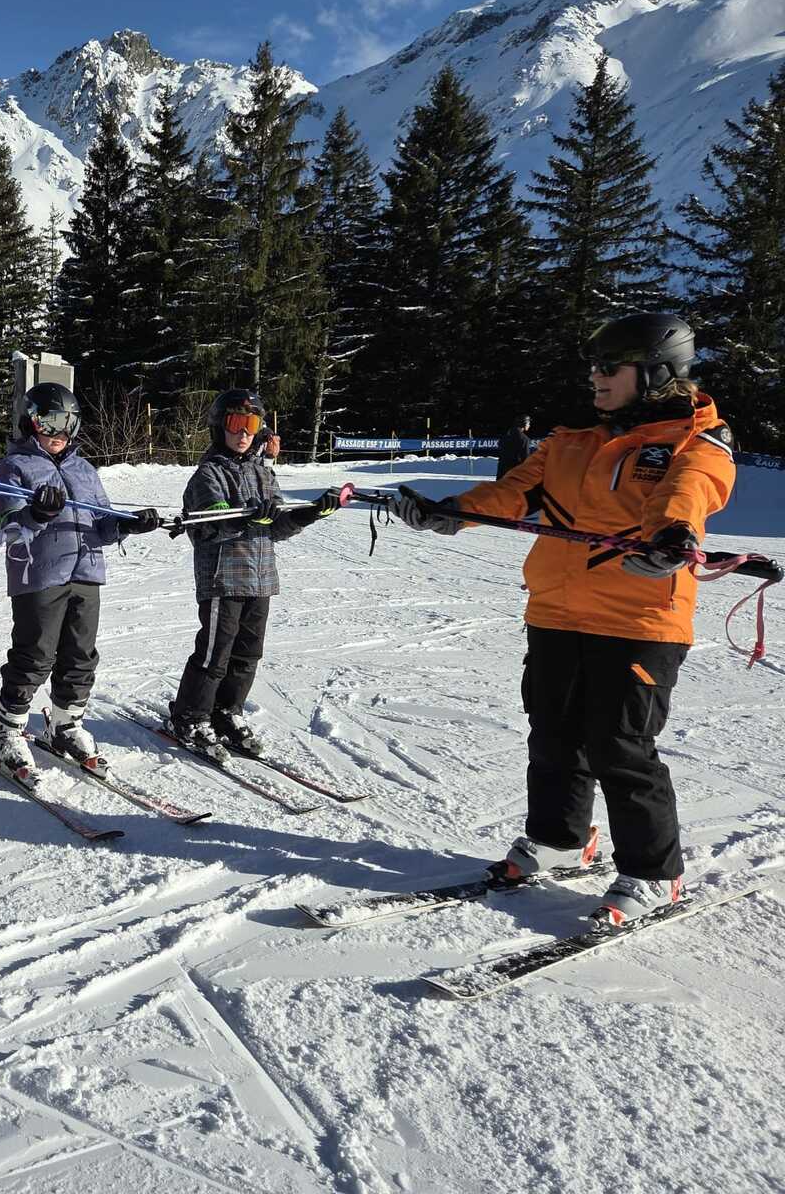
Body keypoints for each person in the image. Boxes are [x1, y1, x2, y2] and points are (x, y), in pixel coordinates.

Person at [391, 312, 736, 926]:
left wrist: (672, 535)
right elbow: (514, 492)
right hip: (556, 610)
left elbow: (687, 492)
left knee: (620, 746)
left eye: (609, 367)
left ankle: (654, 872)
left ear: (656, 372)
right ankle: (559, 839)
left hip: (638, 618)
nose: (595, 377)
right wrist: (453, 511)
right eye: (593, 367)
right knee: (553, 734)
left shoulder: (696, 441)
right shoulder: (571, 442)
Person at [0, 382, 160, 773]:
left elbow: (102, 522)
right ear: (31, 422)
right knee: (35, 654)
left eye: (68, 422)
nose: (59, 432)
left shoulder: (84, 469)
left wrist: (128, 524)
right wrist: (36, 515)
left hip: (86, 572)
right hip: (39, 575)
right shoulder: (14, 467)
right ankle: (6, 730)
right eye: (49, 422)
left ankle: (65, 723)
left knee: (80, 654)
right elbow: (6, 526)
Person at [167, 390, 344, 757]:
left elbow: (275, 527)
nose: (244, 432)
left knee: (248, 654)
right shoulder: (209, 474)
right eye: (235, 423)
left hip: (260, 577)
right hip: (223, 578)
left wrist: (310, 513)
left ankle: (226, 712)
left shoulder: (263, 472)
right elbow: (210, 522)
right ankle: (190, 716)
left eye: (251, 424)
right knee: (216, 652)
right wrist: (246, 518)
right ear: (220, 426)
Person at [496, 414, 533, 478]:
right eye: (528, 423)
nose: (529, 425)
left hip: (502, 472)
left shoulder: (505, 435)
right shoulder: (524, 439)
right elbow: (525, 458)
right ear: (524, 424)